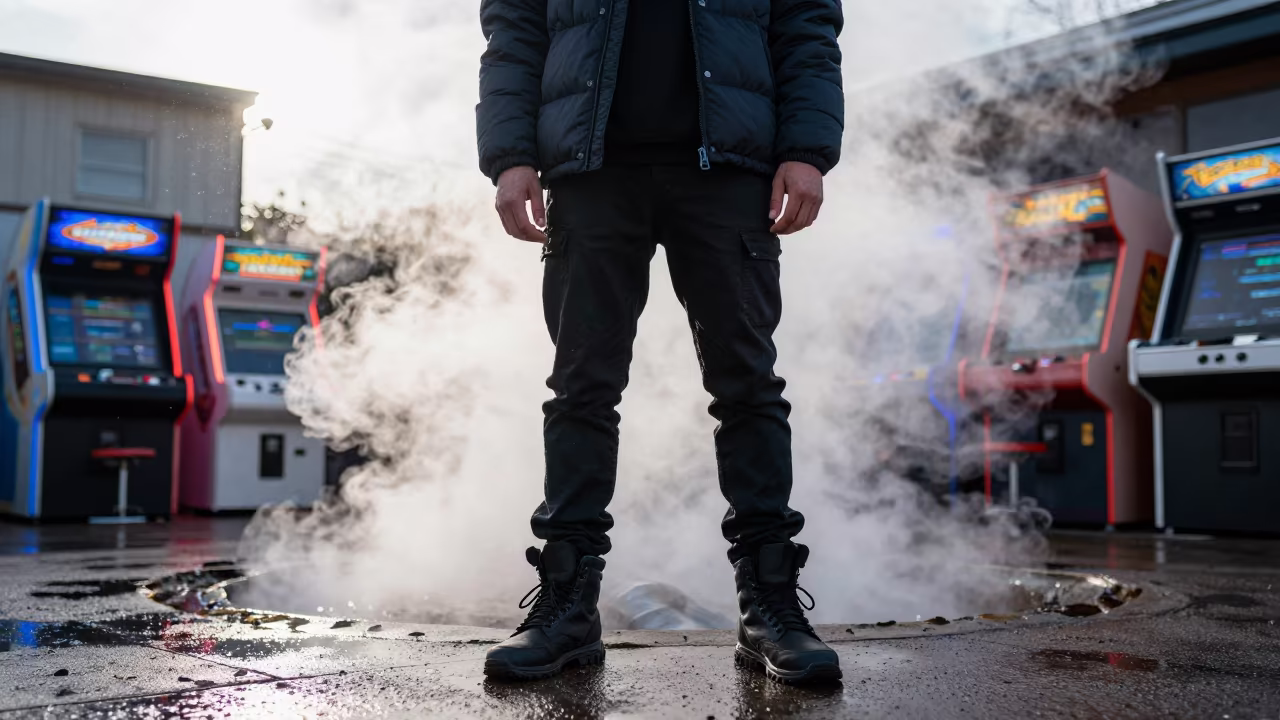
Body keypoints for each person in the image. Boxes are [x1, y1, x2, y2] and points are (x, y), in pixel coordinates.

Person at [475, 0, 844, 685]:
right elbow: (516, 28)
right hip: (590, 172)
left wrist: (806, 148)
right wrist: (509, 155)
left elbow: (805, 21)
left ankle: (770, 607)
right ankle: (567, 607)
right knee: (581, 389)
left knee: (748, 385)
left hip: (730, 170)